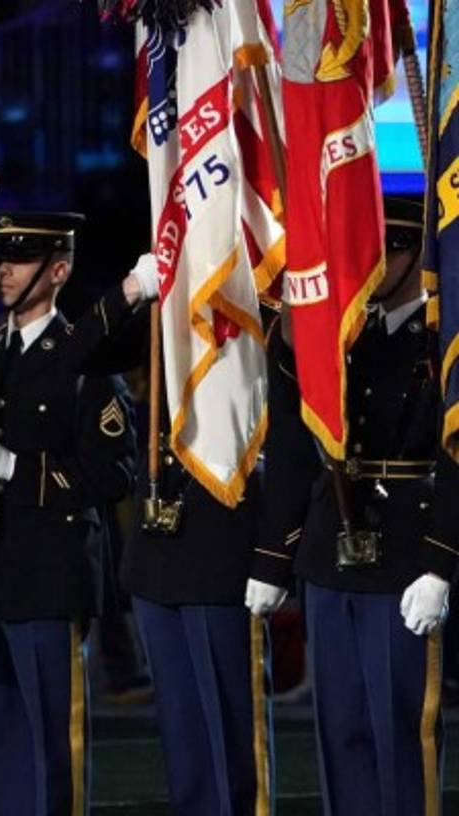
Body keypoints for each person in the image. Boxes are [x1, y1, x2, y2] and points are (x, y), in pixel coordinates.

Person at [247, 196, 456, 815]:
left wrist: (441, 562)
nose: (369, 266)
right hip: (330, 548)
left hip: (406, 554)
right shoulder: (340, 334)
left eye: (384, 251)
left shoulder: (442, 340)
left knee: (400, 730)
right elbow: (293, 447)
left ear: (415, 253)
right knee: (340, 729)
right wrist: (272, 558)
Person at [0, 211, 154, 815]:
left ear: (58, 271)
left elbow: (115, 474)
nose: (4, 270)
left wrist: (16, 468)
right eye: (1, 258)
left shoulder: (87, 360)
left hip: (50, 574)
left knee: (51, 743)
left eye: (22, 259)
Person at [121, 404, 273, 814]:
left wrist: (273, 556)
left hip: (222, 546)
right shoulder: (157, 358)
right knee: (182, 735)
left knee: (230, 732)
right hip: (156, 552)